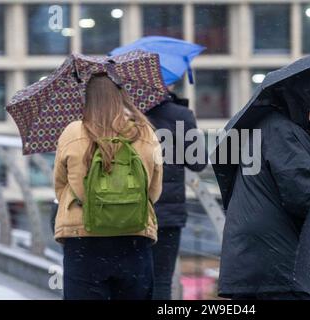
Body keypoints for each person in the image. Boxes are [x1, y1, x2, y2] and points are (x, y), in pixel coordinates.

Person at [218, 80, 310, 300]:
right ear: (299, 94)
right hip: (275, 267)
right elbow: (305, 198)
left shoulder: (277, 126)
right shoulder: (284, 131)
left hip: (260, 264)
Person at [53, 75, 163, 300]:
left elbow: (60, 184)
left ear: (88, 99)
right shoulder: (145, 132)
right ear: (122, 95)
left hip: (83, 239)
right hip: (134, 236)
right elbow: (153, 190)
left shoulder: (73, 132)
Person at [146, 86, 207, 300]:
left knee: (134, 278)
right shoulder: (180, 115)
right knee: (162, 279)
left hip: (133, 212)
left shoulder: (128, 114)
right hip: (168, 215)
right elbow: (198, 163)